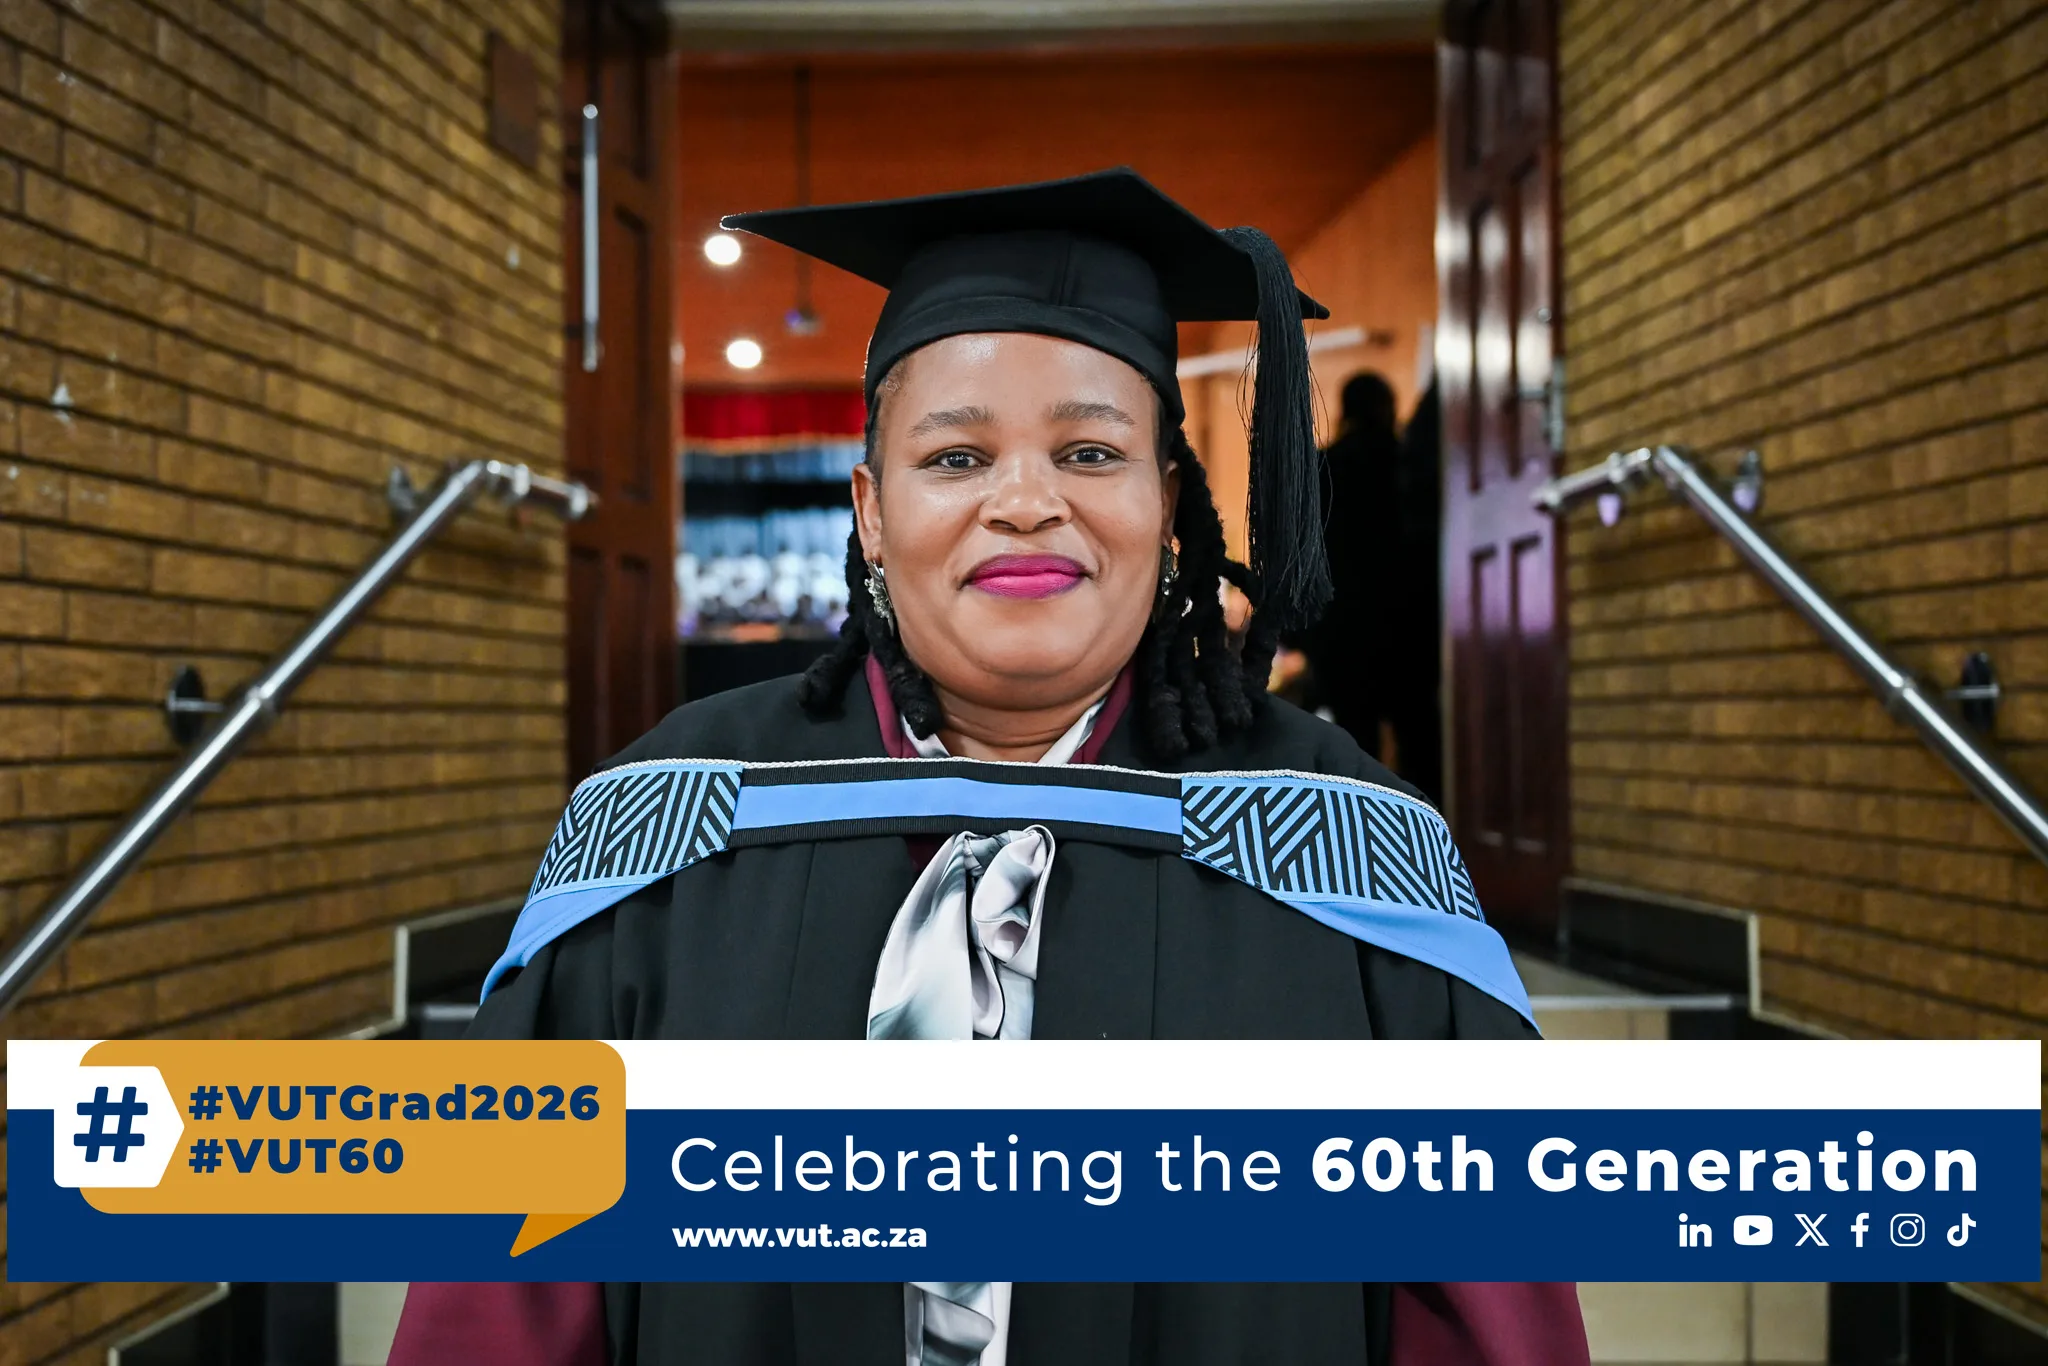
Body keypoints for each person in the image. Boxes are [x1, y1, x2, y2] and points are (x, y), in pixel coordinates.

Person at [390, 169, 1587, 1366]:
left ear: (1167, 501)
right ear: (868, 509)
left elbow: (1480, 1312)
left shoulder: (1340, 846)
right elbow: (501, 1297)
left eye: (1089, 450)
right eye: (956, 459)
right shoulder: (669, 826)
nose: (1024, 502)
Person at [1294, 372, 1403, 763]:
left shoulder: (1322, 468)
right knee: (1419, 738)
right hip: (1405, 622)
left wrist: (1300, 632)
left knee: (1356, 741)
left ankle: (1361, 820)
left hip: (1340, 626)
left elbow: (1300, 555)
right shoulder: (1405, 462)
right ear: (1387, 409)